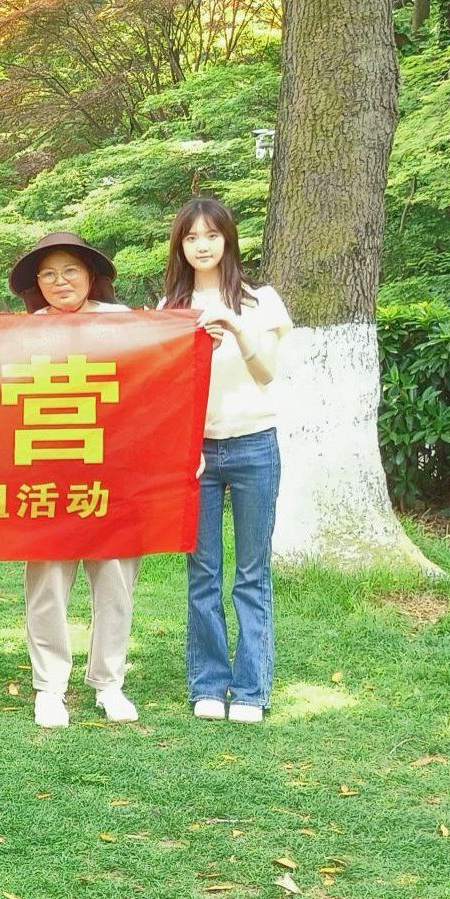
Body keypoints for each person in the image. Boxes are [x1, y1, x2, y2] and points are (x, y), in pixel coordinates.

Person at [164, 198, 290, 724]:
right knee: (203, 573)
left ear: (228, 240)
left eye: (211, 235)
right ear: (180, 246)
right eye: (191, 237)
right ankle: (210, 685)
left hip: (255, 445)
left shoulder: (262, 301)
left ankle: (252, 690)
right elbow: (168, 391)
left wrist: (235, 328)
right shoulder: (171, 308)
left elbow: (266, 373)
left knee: (252, 574)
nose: (202, 245)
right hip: (196, 455)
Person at [8, 231, 139, 728]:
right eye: (48, 274)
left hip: (114, 472)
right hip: (48, 470)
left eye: (69, 271)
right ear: (37, 284)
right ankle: (49, 687)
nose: (59, 281)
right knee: (47, 581)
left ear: (90, 276)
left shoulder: (124, 324)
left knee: (115, 580)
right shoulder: (26, 332)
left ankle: (109, 682)